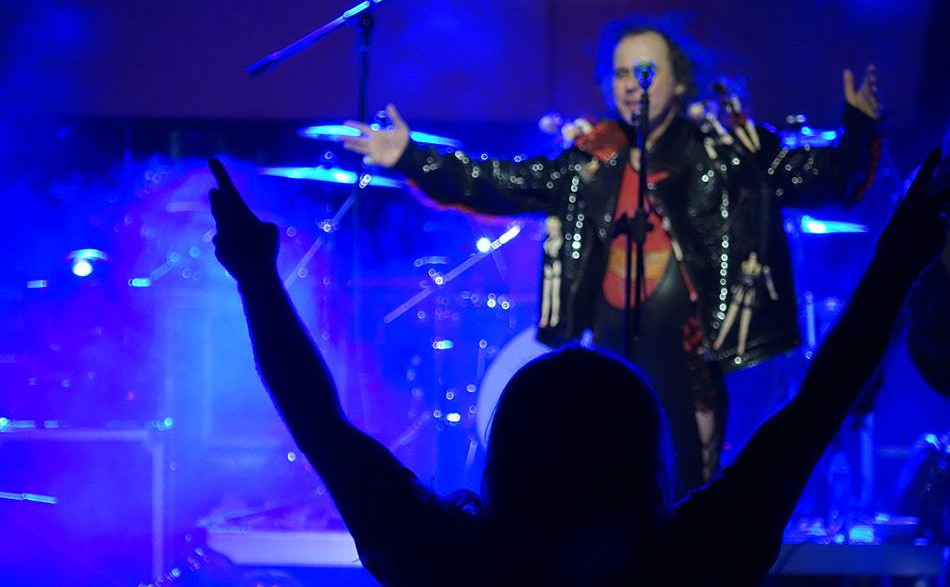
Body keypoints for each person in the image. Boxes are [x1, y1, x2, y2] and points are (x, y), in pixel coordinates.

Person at [209, 148, 947, 587]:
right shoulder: (692, 561)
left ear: (504, 453)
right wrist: (896, 264)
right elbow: (816, 408)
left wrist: (257, 277)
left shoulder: (443, 562)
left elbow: (320, 425)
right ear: (645, 454)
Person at [339, 17, 883, 492]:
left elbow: (823, 178)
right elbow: (500, 181)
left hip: (690, 355)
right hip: (609, 348)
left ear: (678, 80)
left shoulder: (723, 154)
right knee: (606, 475)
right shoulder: (592, 160)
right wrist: (413, 158)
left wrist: (858, 133)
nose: (631, 85)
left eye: (645, 72)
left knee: (685, 483)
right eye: (621, 73)